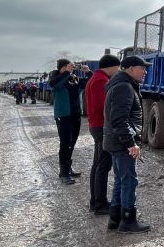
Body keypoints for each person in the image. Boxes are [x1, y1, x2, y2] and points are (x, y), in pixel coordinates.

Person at [103, 55, 152, 233]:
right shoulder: (124, 87)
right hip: (122, 143)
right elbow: (119, 120)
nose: (145, 71)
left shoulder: (121, 84)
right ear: (131, 68)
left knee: (120, 181)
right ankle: (128, 222)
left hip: (116, 142)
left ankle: (115, 219)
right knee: (129, 181)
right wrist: (131, 143)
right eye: (142, 67)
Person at [85, 54, 121, 215]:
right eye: (118, 68)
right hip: (101, 126)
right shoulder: (101, 81)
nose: (119, 71)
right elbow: (104, 107)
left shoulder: (96, 78)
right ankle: (100, 204)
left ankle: (95, 201)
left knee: (97, 164)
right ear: (112, 66)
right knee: (103, 166)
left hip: (96, 125)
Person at [49, 59, 91, 184]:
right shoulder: (55, 76)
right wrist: (66, 72)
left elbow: (90, 83)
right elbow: (54, 85)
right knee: (65, 143)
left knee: (72, 143)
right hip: (63, 115)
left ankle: (68, 167)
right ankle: (63, 172)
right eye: (69, 66)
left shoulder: (74, 78)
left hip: (75, 114)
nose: (72, 69)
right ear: (62, 67)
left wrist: (88, 72)